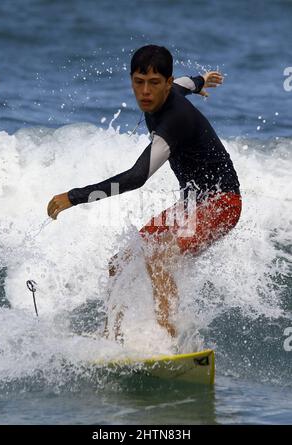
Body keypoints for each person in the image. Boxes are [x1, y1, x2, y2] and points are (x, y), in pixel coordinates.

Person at [47, 45, 241, 341]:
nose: (145, 92)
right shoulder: (171, 89)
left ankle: (169, 336)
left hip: (223, 202)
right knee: (119, 264)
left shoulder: (174, 121)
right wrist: (202, 80)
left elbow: (137, 177)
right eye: (139, 82)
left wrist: (74, 197)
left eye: (154, 83)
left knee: (160, 255)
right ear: (131, 80)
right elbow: (186, 84)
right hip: (191, 205)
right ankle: (111, 335)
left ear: (166, 82)